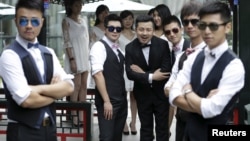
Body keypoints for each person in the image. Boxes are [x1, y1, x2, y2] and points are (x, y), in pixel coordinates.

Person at [169, 1, 245, 141]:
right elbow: (173, 95)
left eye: (214, 26)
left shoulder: (234, 66)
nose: (207, 31)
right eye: (203, 25)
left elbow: (211, 109)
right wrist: (201, 105)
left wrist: (187, 92)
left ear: (227, 27)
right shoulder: (193, 58)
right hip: (188, 135)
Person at [0, 0, 74, 141]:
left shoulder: (49, 52)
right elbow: (26, 100)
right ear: (16, 21)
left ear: (42, 22)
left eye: (34, 21)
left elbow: (69, 87)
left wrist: (36, 89)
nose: (29, 26)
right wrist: (55, 93)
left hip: (50, 130)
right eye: (23, 21)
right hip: (23, 131)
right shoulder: (9, 55)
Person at [125, 14, 172, 141]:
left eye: (148, 30)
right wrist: (151, 76)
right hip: (142, 95)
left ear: (153, 30)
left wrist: (142, 73)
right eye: (141, 29)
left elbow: (166, 70)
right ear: (136, 29)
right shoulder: (129, 48)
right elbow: (130, 73)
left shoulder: (163, 44)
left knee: (162, 129)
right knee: (145, 129)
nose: (144, 33)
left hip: (161, 94)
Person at [164, 2, 205, 141]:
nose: (190, 25)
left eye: (195, 21)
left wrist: (177, 93)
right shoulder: (182, 56)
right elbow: (167, 88)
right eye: (186, 21)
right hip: (182, 121)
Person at [89, 14, 127, 141]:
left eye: (118, 29)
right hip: (108, 102)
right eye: (111, 28)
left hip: (121, 100)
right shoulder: (99, 47)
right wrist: (106, 101)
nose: (115, 31)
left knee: (117, 137)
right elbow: (97, 74)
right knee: (106, 137)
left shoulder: (118, 49)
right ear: (105, 29)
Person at [62, 0, 89, 127]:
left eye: (80, 5)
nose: (79, 7)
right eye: (76, 4)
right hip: (74, 55)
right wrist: (72, 59)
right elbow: (67, 41)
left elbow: (87, 39)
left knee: (84, 85)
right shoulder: (66, 21)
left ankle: (82, 115)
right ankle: (73, 116)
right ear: (70, 6)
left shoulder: (83, 20)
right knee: (76, 86)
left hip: (84, 54)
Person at [162, 14, 190, 138]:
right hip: (180, 112)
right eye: (168, 32)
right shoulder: (167, 49)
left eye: (175, 30)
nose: (171, 34)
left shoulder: (191, 48)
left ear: (181, 29)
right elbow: (170, 81)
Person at [118, 10, 138, 136]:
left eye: (130, 18)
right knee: (123, 96)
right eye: (125, 19)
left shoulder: (137, 34)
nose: (128, 21)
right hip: (122, 68)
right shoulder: (117, 34)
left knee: (134, 96)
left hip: (135, 68)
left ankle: (134, 123)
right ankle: (124, 122)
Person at [88, 4, 109, 89]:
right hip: (99, 57)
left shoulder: (111, 28)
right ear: (97, 15)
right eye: (101, 13)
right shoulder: (93, 30)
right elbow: (92, 45)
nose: (104, 15)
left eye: (106, 13)